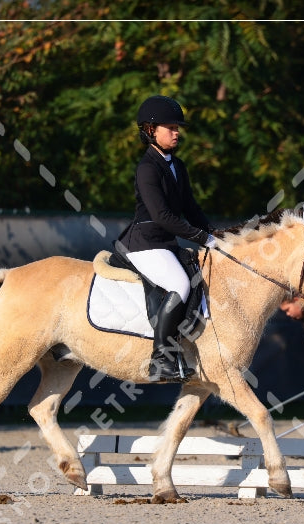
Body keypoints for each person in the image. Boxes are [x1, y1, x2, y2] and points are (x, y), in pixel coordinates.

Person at [116, 95, 217, 382]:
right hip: (145, 242)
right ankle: (160, 358)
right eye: (169, 127)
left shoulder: (178, 166)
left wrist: (214, 234)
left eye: (177, 127)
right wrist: (200, 237)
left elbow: (190, 208)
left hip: (164, 244)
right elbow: (162, 216)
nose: (176, 132)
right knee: (180, 284)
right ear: (150, 130)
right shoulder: (147, 167)